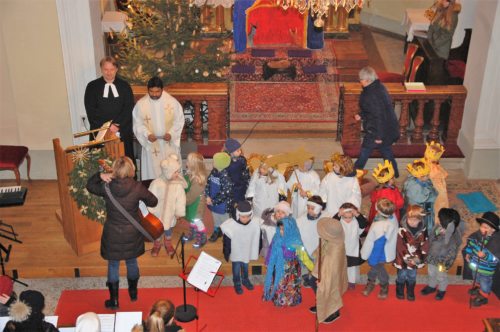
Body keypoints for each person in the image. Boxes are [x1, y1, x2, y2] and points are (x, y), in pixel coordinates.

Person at [86, 156, 158, 309]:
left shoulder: (107, 187)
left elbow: (90, 186)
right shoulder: (137, 187)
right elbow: (154, 201)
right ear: (131, 170)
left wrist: (100, 175)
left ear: (114, 170)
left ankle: (114, 300)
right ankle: (133, 292)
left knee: (113, 264)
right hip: (132, 232)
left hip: (112, 233)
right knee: (132, 261)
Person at [133, 76, 185, 180]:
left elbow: (179, 121)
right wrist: (147, 135)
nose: (154, 94)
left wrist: (171, 134)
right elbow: (137, 124)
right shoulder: (141, 104)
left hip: (168, 144)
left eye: (157, 91)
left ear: (162, 89)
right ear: (148, 90)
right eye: (151, 92)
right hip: (152, 145)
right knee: (153, 175)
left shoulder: (172, 102)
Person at [84, 56, 136, 161]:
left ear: (116, 69)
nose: (109, 72)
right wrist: (107, 127)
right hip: (100, 130)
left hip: (122, 129)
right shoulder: (92, 87)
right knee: (101, 160)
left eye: (112, 69)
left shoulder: (125, 86)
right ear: (101, 69)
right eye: (106, 69)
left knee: (123, 159)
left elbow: (128, 107)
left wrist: (117, 124)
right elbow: (91, 109)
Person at [263, 201, 313, 306]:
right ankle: (278, 300)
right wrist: (268, 261)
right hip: (279, 265)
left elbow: (302, 254)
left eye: (283, 229)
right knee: (279, 283)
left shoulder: (294, 240)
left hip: (291, 267)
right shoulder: (277, 236)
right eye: (280, 229)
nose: (281, 231)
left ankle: (292, 300)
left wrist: (312, 268)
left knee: (291, 284)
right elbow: (271, 249)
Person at [353, 66, 400, 178]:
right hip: (386, 128)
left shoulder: (371, 94)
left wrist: (379, 136)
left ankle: (353, 172)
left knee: (365, 151)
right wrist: (361, 114)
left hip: (378, 130)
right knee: (386, 152)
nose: (360, 81)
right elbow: (372, 110)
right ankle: (394, 173)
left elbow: (379, 116)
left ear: (368, 80)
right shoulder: (377, 87)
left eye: (361, 79)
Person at [308, 217, 348, 324]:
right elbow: (321, 251)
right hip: (322, 270)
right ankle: (322, 305)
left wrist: (323, 281)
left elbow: (332, 271)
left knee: (329, 290)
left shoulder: (336, 250)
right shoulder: (331, 239)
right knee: (313, 283)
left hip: (329, 277)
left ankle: (334, 311)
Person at [422, 208, 465, 300]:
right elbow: (431, 239)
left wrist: (448, 234)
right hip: (432, 257)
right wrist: (437, 232)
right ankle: (432, 286)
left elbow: (453, 251)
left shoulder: (454, 236)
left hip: (443, 262)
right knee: (431, 273)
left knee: (441, 275)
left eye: (440, 219)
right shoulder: (438, 228)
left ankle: (442, 289)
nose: (438, 221)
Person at [148, 154, 187, 257]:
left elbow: (180, 199)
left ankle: (168, 243)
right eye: (175, 172)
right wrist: (150, 210)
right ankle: (157, 244)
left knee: (168, 229)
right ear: (168, 172)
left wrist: (179, 212)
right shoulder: (156, 183)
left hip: (170, 213)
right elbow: (150, 197)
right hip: (157, 213)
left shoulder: (177, 185)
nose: (178, 174)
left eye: (178, 171)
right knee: (157, 230)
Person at [360, 198, 398, 300]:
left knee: (378, 269)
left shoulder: (381, 226)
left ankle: (383, 285)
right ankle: (372, 282)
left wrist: (373, 259)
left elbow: (379, 245)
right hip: (385, 249)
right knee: (375, 269)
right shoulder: (390, 217)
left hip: (380, 253)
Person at [221, 201, 261, 295]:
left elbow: (258, 234)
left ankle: (245, 280)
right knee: (236, 267)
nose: (246, 219)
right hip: (236, 251)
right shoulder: (231, 224)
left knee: (245, 266)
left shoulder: (254, 223)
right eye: (243, 217)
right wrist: (227, 252)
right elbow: (226, 239)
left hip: (246, 251)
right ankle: (237, 282)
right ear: (238, 215)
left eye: (248, 216)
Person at [463, 211, 500, 307]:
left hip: (486, 270)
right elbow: (470, 245)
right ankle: (478, 289)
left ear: (493, 230)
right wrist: (468, 253)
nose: (482, 229)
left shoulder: (496, 242)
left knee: (485, 283)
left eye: (486, 227)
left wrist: (485, 256)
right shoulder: (476, 236)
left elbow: (496, 259)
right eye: (482, 226)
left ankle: (483, 296)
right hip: (476, 266)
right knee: (477, 278)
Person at [394, 205, 429, 301]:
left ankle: (410, 290)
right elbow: (399, 246)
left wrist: (417, 258)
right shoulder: (402, 230)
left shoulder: (423, 231)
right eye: (410, 219)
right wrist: (408, 259)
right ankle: (399, 288)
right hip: (402, 258)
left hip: (416, 259)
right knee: (401, 275)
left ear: (420, 219)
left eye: (415, 220)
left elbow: (425, 245)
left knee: (412, 276)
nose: (412, 222)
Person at [335, 202, 367, 290]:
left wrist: (357, 214)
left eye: (350, 217)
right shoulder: (339, 221)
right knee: (341, 266)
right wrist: (338, 215)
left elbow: (364, 224)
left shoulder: (356, 221)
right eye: (345, 217)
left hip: (353, 248)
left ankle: (351, 282)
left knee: (352, 267)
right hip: (341, 248)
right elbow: (332, 224)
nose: (348, 220)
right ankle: (340, 281)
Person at [296, 196, 325, 288]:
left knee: (316, 263)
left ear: (319, 208)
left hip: (317, 247)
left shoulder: (326, 218)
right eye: (308, 208)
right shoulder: (301, 219)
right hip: (304, 246)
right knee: (304, 262)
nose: (309, 210)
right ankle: (305, 276)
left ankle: (314, 276)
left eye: (312, 208)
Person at [205, 152, 233, 242]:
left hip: (222, 204)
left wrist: (214, 201)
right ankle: (217, 231)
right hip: (212, 201)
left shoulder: (226, 176)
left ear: (220, 164)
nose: (212, 163)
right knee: (215, 217)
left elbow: (225, 193)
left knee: (225, 221)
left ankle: (227, 236)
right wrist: (207, 196)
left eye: (214, 161)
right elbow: (208, 184)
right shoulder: (214, 172)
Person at [182, 152, 209, 249]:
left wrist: (182, 201)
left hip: (197, 203)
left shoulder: (198, 180)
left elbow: (192, 195)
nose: (186, 162)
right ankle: (193, 233)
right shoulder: (190, 173)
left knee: (197, 219)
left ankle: (202, 236)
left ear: (194, 165)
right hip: (191, 201)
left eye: (188, 161)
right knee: (192, 218)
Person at [403, 158, 438, 231]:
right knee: (423, 218)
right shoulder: (415, 187)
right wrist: (431, 192)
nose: (428, 176)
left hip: (419, 202)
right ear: (420, 176)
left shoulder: (418, 179)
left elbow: (428, 183)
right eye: (427, 175)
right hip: (417, 207)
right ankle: (424, 228)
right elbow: (423, 198)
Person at [368, 160, 404, 226]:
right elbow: (399, 204)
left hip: (377, 215)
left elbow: (372, 199)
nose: (393, 179)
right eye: (392, 178)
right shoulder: (389, 193)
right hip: (389, 217)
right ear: (389, 180)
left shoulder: (378, 188)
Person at [424, 141, 449, 226]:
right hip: (437, 186)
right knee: (438, 202)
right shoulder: (433, 166)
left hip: (436, 187)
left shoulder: (431, 166)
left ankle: (437, 219)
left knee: (437, 203)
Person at [224, 138, 250, 204]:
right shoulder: (226, 162)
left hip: (241, 184)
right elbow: (225, 175)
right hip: (232, 186)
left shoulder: (242, 159)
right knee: (233, 201)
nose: (240, 152)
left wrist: (247, 181)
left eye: (240, 150)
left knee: (241, 199)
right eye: (237, 151)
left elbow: (245, 171)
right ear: (231, 152)